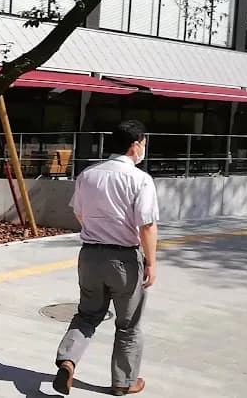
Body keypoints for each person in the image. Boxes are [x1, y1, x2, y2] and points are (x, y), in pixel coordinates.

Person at [52, 120, 159, 396]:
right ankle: (124, 382)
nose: (143, 149)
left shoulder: (88, 175)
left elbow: (79, 213)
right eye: (143, 144)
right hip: (124, 258)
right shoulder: (140, 179)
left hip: (90, 255)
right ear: (134, 145)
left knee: (87, 314)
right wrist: (150, 262)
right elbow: (147, 225)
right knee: (128, 324)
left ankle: (67, 360)